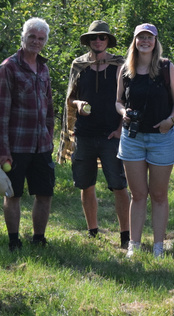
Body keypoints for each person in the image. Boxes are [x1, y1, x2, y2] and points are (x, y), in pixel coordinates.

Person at [58, 20, 131, 248]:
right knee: (86, 184)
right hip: (84, 135)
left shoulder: (120, 65)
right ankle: (93, 232)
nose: (98, 41)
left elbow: (128, 99)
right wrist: (78, 103)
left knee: (119, 185)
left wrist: (120, 129)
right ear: (88, 41)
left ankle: (126, 236)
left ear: (108, 40)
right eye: (93, 37)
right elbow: (70, 98)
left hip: (111, 135)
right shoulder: (79, 65)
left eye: (102, 37)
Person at [116, 23, 174, 258]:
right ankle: (133, 246)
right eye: (141, 37)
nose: (145, 41)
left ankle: (158, 247)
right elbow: (118, 101)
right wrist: (123, 113)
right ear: (134, 41)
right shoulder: (126, 69)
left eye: (149, 37)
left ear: (155, 42)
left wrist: (170, 121)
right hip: (132, 138)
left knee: (159, 195)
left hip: (161, 138)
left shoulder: (166, 67)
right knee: (137, 195)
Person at [0, 17, 55, 252]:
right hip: (17, 145)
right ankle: (14, 240)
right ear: (23, 38)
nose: (36, 42)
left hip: (41, 145)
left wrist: (49, 136)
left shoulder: (44, 68)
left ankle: (39, 238)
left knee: (44, 193)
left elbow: (49, 108)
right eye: (32, 37)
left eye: (41, 38)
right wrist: (2, 149)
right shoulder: (8, 67)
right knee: (13, 194)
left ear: (45, 41)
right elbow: (0, 112)